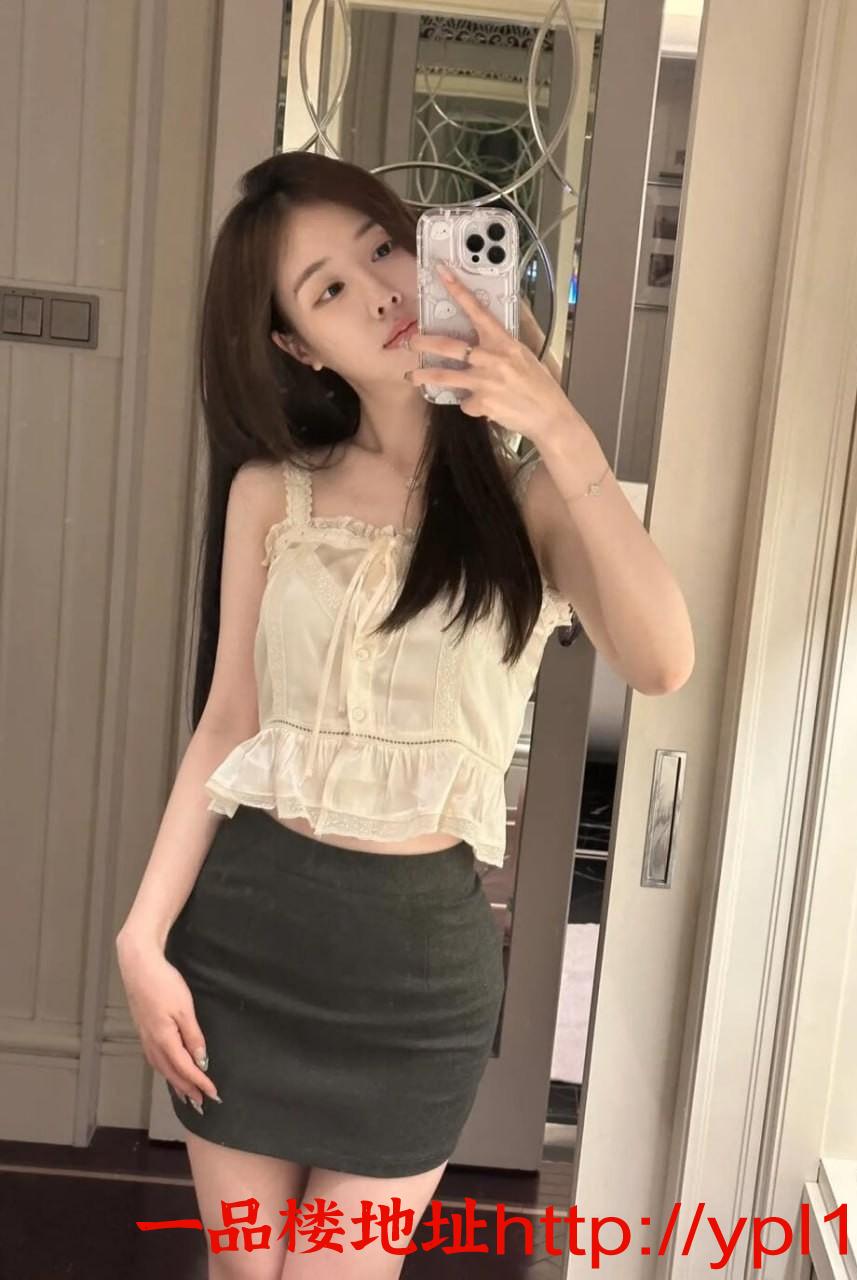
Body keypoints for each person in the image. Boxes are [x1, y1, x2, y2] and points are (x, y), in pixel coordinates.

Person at [116, 150, 692, 1279]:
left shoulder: (528, 498)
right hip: (244, 946)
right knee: (245, 1272)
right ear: (297, 345)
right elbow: (229, 722)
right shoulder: (272, 492)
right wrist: (142, 936)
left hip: (414, 982)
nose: (379, 291)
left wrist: (557, 420)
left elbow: (662, 659)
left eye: (383, 247)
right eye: (328, 287)